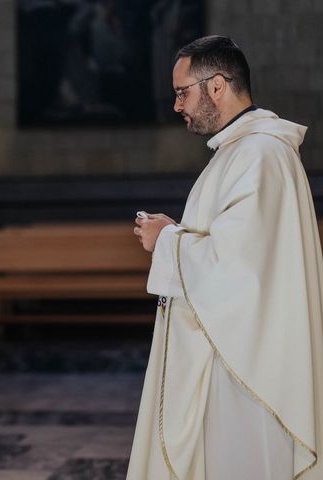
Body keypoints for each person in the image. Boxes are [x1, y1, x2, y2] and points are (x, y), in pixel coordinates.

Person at [128, 36, 323, 479]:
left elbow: (239, 269)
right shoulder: (241, 152)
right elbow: (235, 247)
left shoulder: (260, 154)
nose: (177, 106)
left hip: (249, 368)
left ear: (217, 86)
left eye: (183, 93)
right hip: (236, 349)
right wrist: (176, 235)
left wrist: (167, 240)